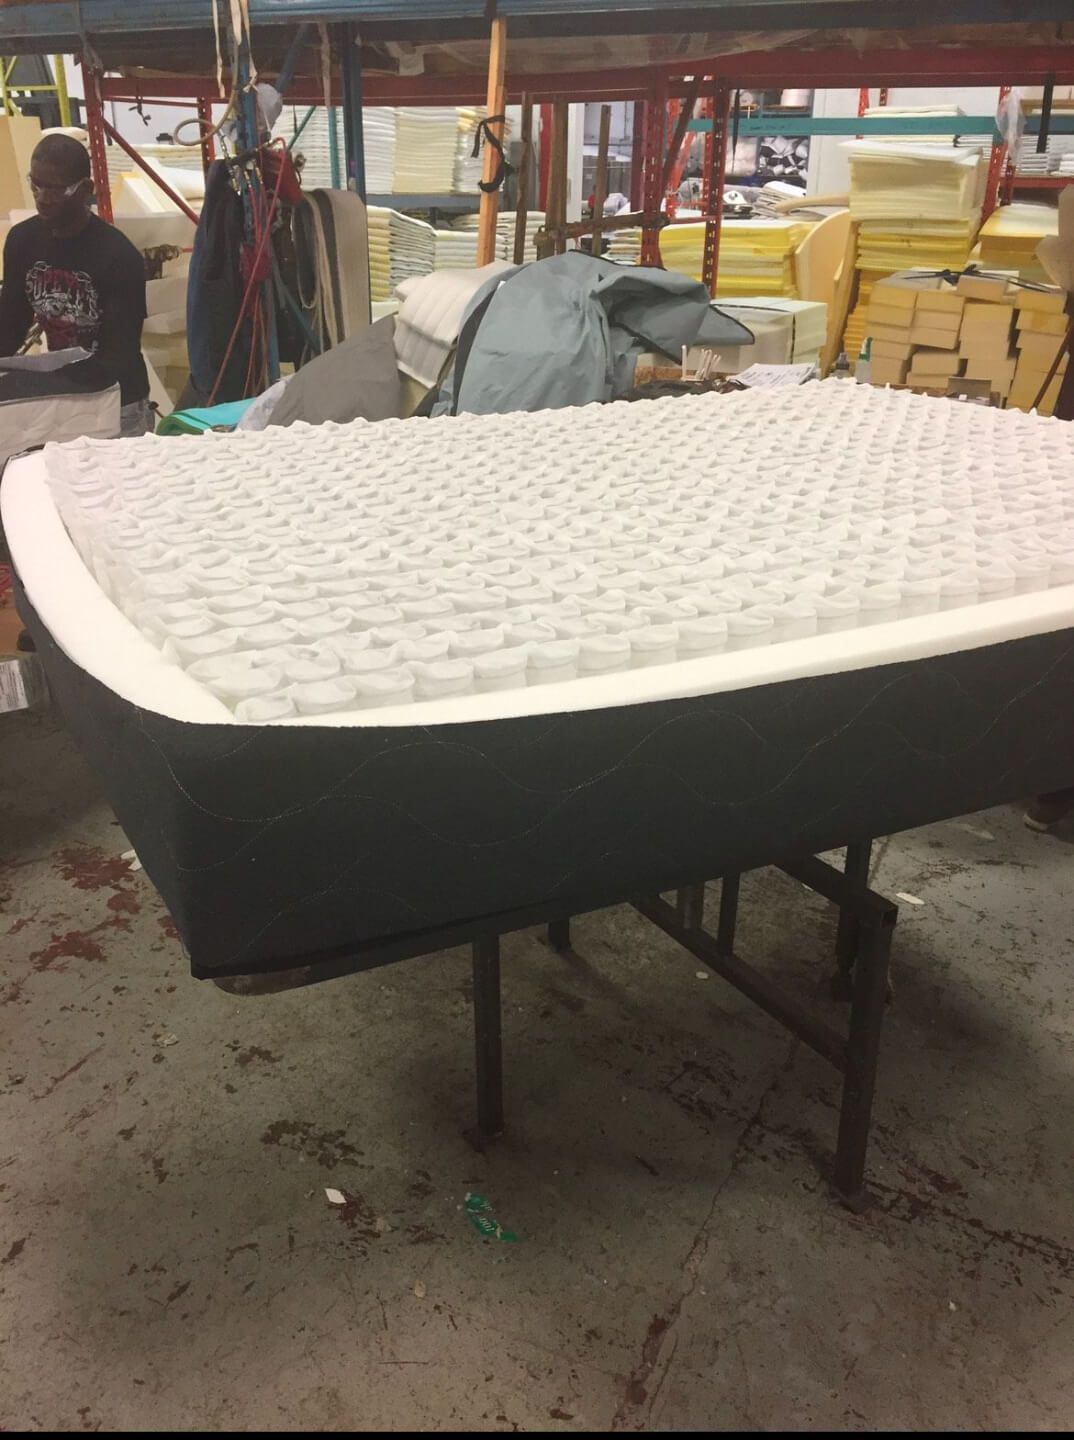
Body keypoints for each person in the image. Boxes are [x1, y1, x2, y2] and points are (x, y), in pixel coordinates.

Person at [0, 133, 152, 437]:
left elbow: (118, 352)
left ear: (85, 190)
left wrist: (46, 383)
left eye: (55, 189)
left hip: (117, 402)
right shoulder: (21, 242)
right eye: (35, 184)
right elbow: (10, 323)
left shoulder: (119, 257)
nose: (42, 197)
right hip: (60, 395)